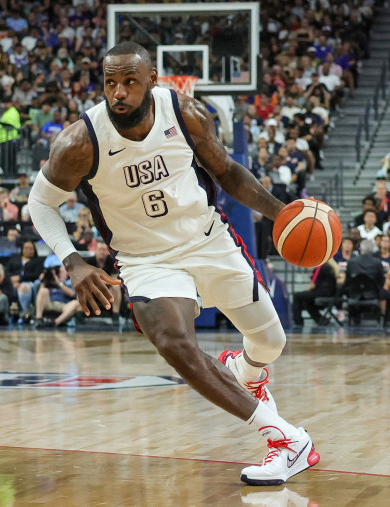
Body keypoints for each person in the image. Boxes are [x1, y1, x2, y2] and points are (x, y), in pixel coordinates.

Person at [27, 42, 319, 486]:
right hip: (145, 260)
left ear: (152, 80)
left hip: (208, 240)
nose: (119, 92)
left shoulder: (187, 115)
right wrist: (74, 262)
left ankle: (246, 372)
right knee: (173, 341)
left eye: (129, 81)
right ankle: (285, 438)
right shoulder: (79, 142)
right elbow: (40, 203)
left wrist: (281, 213)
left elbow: (227, 172)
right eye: (110, 83)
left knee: (271, 342)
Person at [5, 240, 44, 321]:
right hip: (12, 283)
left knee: (24, 287)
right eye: (26, 248)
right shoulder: (14, 260)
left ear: (34, 250)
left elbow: (36, 275)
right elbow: (7, 272)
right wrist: (13, 280)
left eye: (31, 248)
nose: (28, 250)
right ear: (22, 249)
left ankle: (25, 312)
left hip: (30, 283)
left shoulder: (38, 261)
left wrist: (20, 278)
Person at [292, 259, 338, 326]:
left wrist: (307, 291)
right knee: (306, 301)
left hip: (320, 292)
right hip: (330, 293)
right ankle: (321, 320)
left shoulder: (320, 266)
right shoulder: (332, 267)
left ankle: (298, 323)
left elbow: (313, 285)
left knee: (296, 296)